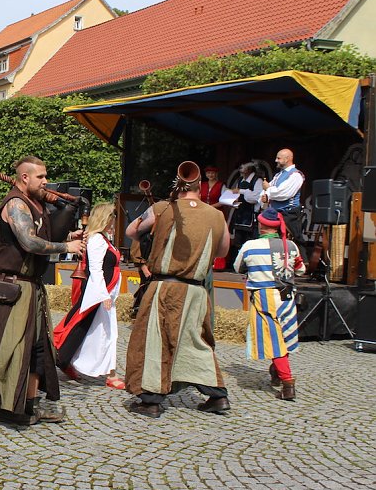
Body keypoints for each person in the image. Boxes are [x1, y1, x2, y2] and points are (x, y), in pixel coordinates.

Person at [0, 156, 84, 426]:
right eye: (40, 177)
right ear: (25, 178)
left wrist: (68, 237)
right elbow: (29, 242)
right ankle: (10, 409)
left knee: (36, 349)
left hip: (29, 285)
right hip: (11, 287)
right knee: (12, 348)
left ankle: (28, 406)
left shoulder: (35, 204)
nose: (46, 182)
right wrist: (65, 249)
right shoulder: (16, 204)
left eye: (45, 177)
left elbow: (41, 235)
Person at [125, 161, 230, 419]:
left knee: (154, 341)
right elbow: (223, 251)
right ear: (199, 186)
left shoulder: (163, 208)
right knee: (196, 341)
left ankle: (150, 400)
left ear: (178, 184)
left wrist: (154, 225)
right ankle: (218, 396)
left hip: (165, 288)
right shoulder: (217, 216)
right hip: (196, 291)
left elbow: (131, 232)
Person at [233, 208, 305, 401]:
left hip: (265, 297)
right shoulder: (290, 245)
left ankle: (288, 382)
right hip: (287, 297)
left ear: (261, 225)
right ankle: (276, 372)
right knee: (284, 336)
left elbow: (237, 266)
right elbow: (301, 270)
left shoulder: (250, 246)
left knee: (274, 340)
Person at [52, 203, 125, 389]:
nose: (113, 223)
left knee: (95, 331)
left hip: (104, 294)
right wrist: (103, 295)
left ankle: (69, 361)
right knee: (95, 331)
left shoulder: (102, 239)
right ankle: (110, 374)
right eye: (111, 219)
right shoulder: (97, 240)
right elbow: (95, 269)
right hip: (99, 294)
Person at [261, 148, 305, 244]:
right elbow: (268, 191)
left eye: (279, 158)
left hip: (289, 215)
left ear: (287, 159)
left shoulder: (295, 175)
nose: (276, 160)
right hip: (275, 214)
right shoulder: (278, 175)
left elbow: (284, 193)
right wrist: (265, 197)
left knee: (294, 243)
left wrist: (268, 189)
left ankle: (302, 259)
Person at [230, 161, 264, 260]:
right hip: (239, 214)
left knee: (249, 240)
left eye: (242, 168)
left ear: (249, 169)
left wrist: (241, 191)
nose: (240, 170)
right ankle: (238, 262)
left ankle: (249, 262)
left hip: (250, 216)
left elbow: (254, 198)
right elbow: (236, 195)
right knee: (238, 241)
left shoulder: (257, 181)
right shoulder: (240, 180)